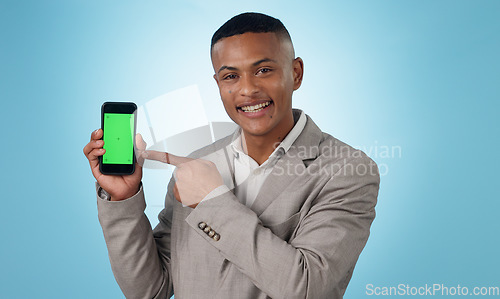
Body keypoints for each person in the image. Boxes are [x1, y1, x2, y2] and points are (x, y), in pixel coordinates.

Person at [83, 12, 379, 299]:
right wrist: (123, 200)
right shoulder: (195, 165)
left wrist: (211, 201)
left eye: (263, 70)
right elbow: (149, 290)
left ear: (296, 73)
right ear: (218, 84)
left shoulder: (348, 170)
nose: (247, 89)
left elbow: (307, 289)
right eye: (231, 76)